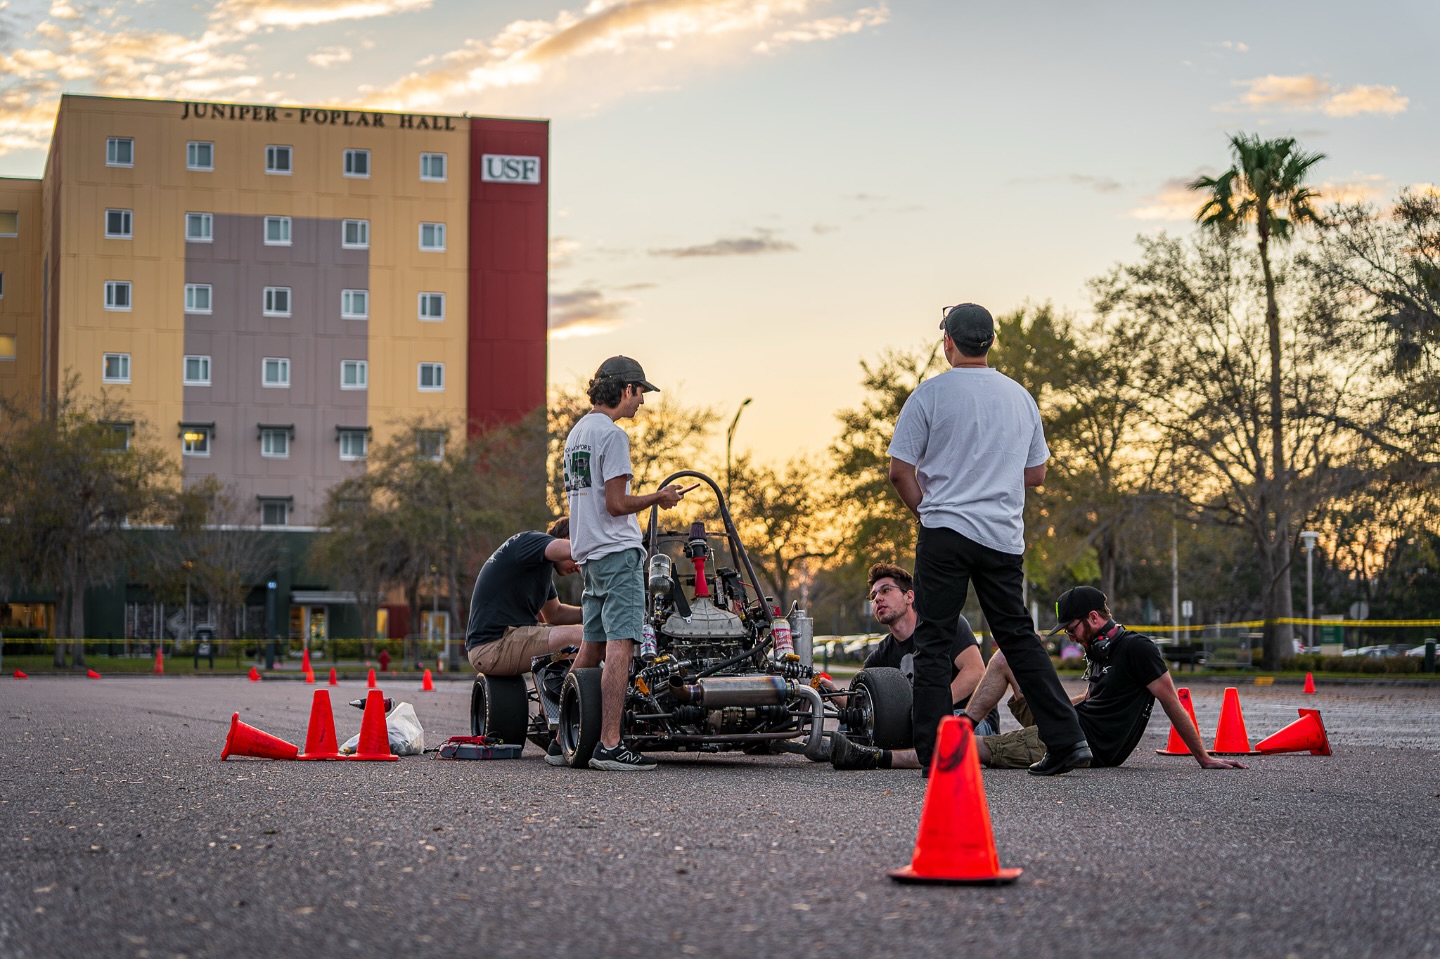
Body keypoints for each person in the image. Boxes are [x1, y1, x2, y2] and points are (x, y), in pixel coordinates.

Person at [888, 302, 1090, 776]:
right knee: (1018, 638)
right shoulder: (1020, 397)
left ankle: (936, 753)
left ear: (948, 343)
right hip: (1002, 536)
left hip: (945, 532)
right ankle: (1067, 740)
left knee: (934, 641)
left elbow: (900, 472)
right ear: (992, 342)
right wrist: (992, 475)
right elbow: (1037, 473)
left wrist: (927, 512)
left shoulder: (929, 395)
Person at [962, 586, 1246, 771]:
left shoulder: (1137, 649)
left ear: (1094, 617)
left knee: (967, 750)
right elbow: (1089, 699)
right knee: (1008, 657)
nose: (1070, 637)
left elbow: (1171, 701)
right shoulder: (1099, 650)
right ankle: (964, 724)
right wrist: (1055, 707)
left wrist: (1203, 757)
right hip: (1070, 723)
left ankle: (939, 743)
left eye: (1071, 629)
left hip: (1083, 744)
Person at [563, 355, 685, 771]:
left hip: (590, 556)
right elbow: (616, 505)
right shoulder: (612, 436)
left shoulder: (577, 432)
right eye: (641, 394)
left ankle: (565, 737)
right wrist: (659, 498)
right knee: (622, 642)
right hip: (617, 554)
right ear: (626, 389)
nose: (642, 403)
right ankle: (610, 744)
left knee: (592, 644)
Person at [824, 562, 1001, 770]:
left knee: (933, 727)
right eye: (873, 596)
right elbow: (862, 707)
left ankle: (877, 756)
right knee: (851, 725)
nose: (878, 598)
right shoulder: (880, 655)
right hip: (916, 725)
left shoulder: (943, 625)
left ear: (910, 596)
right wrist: (830, 692)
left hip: (965, 720)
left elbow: (975, 671)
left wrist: (929, 708)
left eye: (886, 590)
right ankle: (830, 749)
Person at [464, 517, 582, 677]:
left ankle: (556, 698)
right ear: (568, 538)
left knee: (588, 635)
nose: (579, 567)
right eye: (580, 560)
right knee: (583, 637)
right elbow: (567, 548)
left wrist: (594, 611)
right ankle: (578, 699)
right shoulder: (533, 541)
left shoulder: (538, 565)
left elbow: (555, 614)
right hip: (493, 645)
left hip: (503, 640)